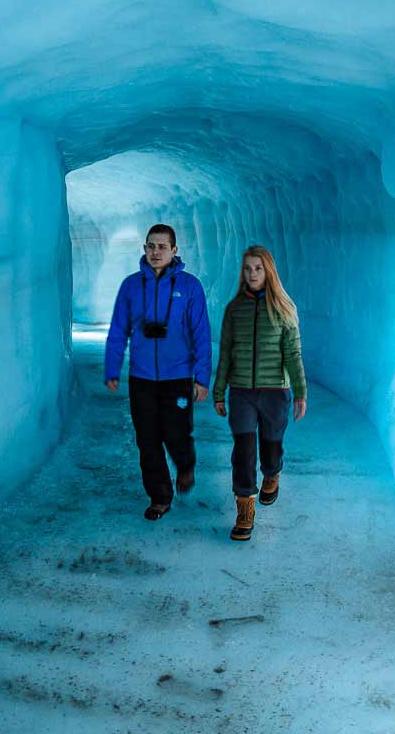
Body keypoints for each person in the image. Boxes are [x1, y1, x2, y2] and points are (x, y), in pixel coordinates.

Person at [104, 223, 212, 520]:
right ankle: (160, 497)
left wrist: (202, 377)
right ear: (144, 249)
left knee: (176, 434)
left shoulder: (190, 286)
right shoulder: (131, 286)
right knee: (147, 439)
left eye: (162, 246)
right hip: (142, 378)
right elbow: (118, 329)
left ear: (174, 251)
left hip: (178, 376)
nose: (155, 252)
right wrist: (112, 367)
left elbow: (201, 333)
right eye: (151, 246)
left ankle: (185, 465)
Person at [212, 245, 307, 541]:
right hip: (241, 392)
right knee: (242, 453)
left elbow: (293, 354)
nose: (252, 274)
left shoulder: (284, 309)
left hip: (275, 392)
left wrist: (300, 392)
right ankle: (244, 510)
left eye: (258, 268)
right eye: (248, 268)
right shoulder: (234, 309)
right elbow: (226, 352)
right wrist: (219, 391)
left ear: (269, 271)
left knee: (271, 448)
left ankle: (272, 472)